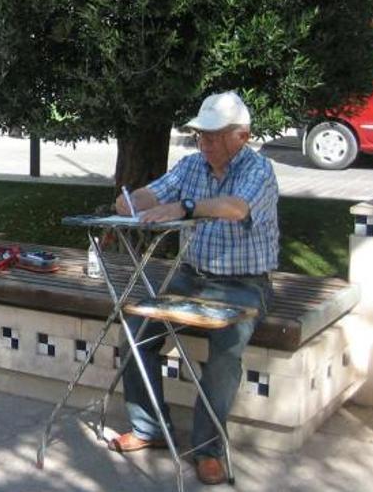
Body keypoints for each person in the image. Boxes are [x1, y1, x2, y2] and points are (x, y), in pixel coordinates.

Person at [110, 91, 279, 485]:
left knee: (227, 347)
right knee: (134, 332)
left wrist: (186, 208)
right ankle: (148, 428)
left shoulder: (259, 170)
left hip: (244, 284)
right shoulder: (192, 165)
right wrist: (131, 202)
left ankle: (208, 450)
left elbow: (235, 208)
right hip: (191, 276)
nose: (204, 141)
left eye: (215, 135)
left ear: (243, 135)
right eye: (201, 134)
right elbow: (157, 191)